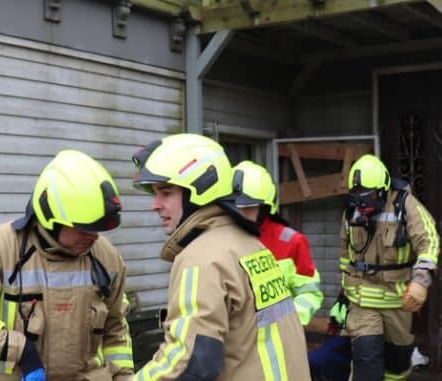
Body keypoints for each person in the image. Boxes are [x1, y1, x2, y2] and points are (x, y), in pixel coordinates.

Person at [0, 150, 134, 381]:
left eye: (98, 228)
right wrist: (21, 351)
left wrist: (124, 378)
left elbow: (116, 329)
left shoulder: (107, 258)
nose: (93, 237)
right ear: (51, 218)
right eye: (84, 228)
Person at [131, 133, 311, 381]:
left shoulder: (201, 258)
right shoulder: (249, 244)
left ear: (199, 190)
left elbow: (191, 361)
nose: (155, 204)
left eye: (165, 192)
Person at [339, 154, 439, 381]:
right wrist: (345, 290)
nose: (362, 204)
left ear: (383, 190)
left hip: (398, 301)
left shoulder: (405, 204)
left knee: (397, 366)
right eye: (358, 197)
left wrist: (420, 280)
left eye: (369, 197)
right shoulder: (351, 211)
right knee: (366, 361)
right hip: (362, 302)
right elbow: (345, 255)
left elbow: (429, 241)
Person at [226, 160, 324, 326]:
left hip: (280, 341)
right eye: (234, 207)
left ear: (265, 208)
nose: (240, 213)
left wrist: (286, 323)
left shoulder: (292, 242)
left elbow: (309, 294)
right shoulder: (221, 240)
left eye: (248, 207)